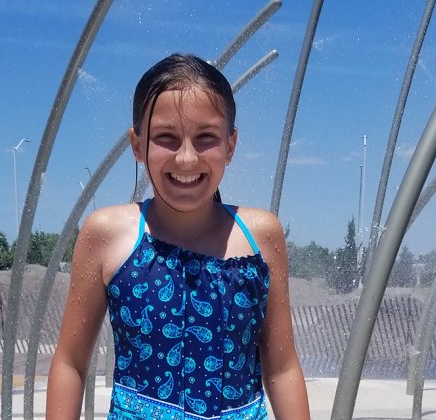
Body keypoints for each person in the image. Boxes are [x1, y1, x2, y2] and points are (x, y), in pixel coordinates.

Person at [46, 53, 310, 419]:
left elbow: (281, 368)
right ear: (137, 145)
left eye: (206, 138)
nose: (186, 159)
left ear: (231, 145)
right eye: (166, 138)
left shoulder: (261, 237)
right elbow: (71, 363)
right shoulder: (106, 235)